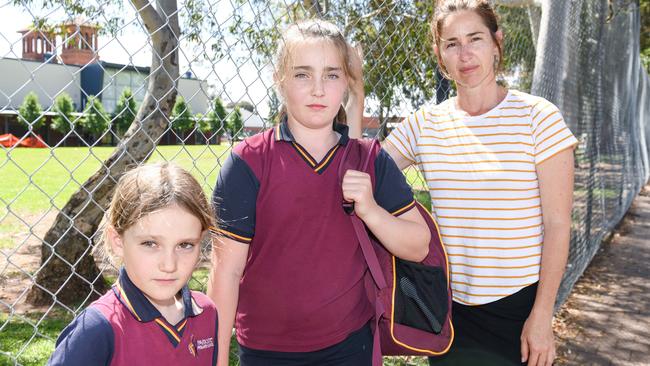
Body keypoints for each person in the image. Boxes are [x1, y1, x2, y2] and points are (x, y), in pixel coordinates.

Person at [348, 1, 577, 365]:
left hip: (517, 310)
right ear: (439, 55)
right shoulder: (426, 124)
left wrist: (541, 316)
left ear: (497, 42)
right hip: (447, 309)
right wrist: (356, 97)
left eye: (475, 38)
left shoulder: (539, 117)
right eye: (452, 43)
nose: (465, 54)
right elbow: (358, 172)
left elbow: (558, 224)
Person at [207, 19, 431, 366]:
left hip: (349, 345)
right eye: (302, 74)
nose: (318, 89)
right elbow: (226, 273)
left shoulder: (369, 159)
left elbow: (418, 246)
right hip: (268, 352)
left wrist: (370, 209)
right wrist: (217, 359)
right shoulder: (248, 162)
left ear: (345, 82)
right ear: (280, 80)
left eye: (331, 74)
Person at [48, 163, 218, 366]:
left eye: (185, 245)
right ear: (117, 241)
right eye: (150, 243)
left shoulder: (206, 312)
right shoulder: (97, 329)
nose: (169, 265)